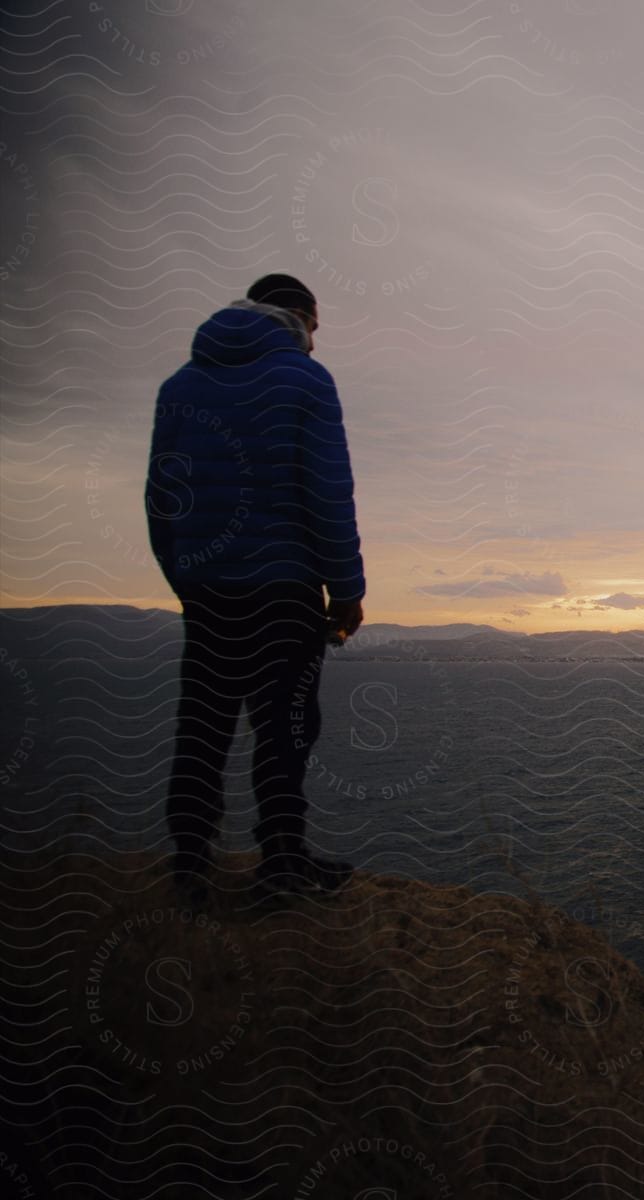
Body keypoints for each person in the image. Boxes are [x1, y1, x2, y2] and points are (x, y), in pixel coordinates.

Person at [145, 273, 364, 904]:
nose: (316, 343)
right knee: (286, 728)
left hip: (208, 591)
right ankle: (283, 867)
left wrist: (185, 578)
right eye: (315, 328)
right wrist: (345, 591)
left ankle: (189, 868)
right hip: (286, 588)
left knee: (203, 726)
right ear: (298, 316)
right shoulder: (304, 380)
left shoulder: (179, 387)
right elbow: (328, 493)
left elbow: (161, 499)